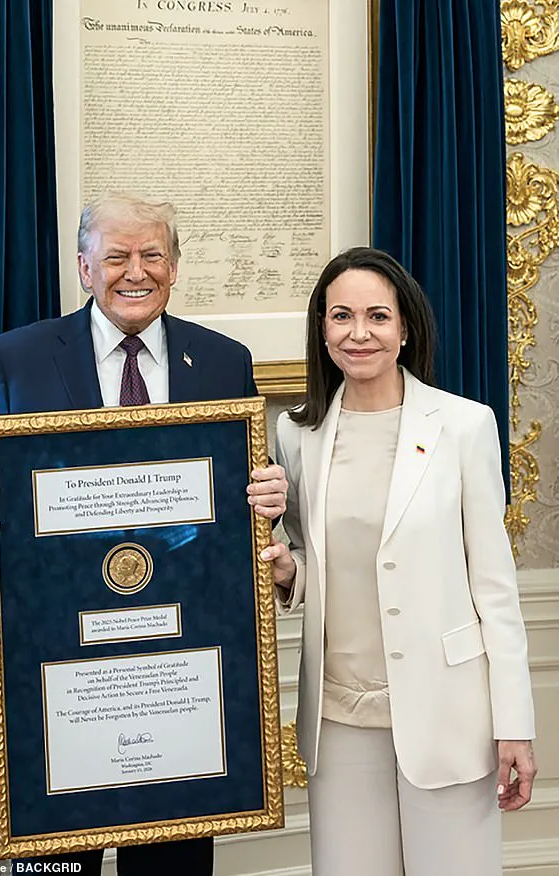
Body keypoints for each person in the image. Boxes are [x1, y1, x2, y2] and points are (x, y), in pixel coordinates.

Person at [0, 192, 287, 876]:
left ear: (174, 267)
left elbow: (239, 492)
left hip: (179, 671)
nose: (137, 272)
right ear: (84, 268)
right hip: (55, 673)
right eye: (117, 256)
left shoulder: (223, 361)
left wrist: (269, 498)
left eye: (153, 255)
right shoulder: (18, 358)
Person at [261, 247, 537, 876]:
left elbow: (495, 589)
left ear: (405, 328)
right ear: (322, 329)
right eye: (341, 316)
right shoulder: (296, 434)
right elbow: (308, 555)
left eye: (377, 316)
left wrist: (514, 723)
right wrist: (287, 572)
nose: (358, 333)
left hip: (449, 712)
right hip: (338, 716)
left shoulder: (464, 426)